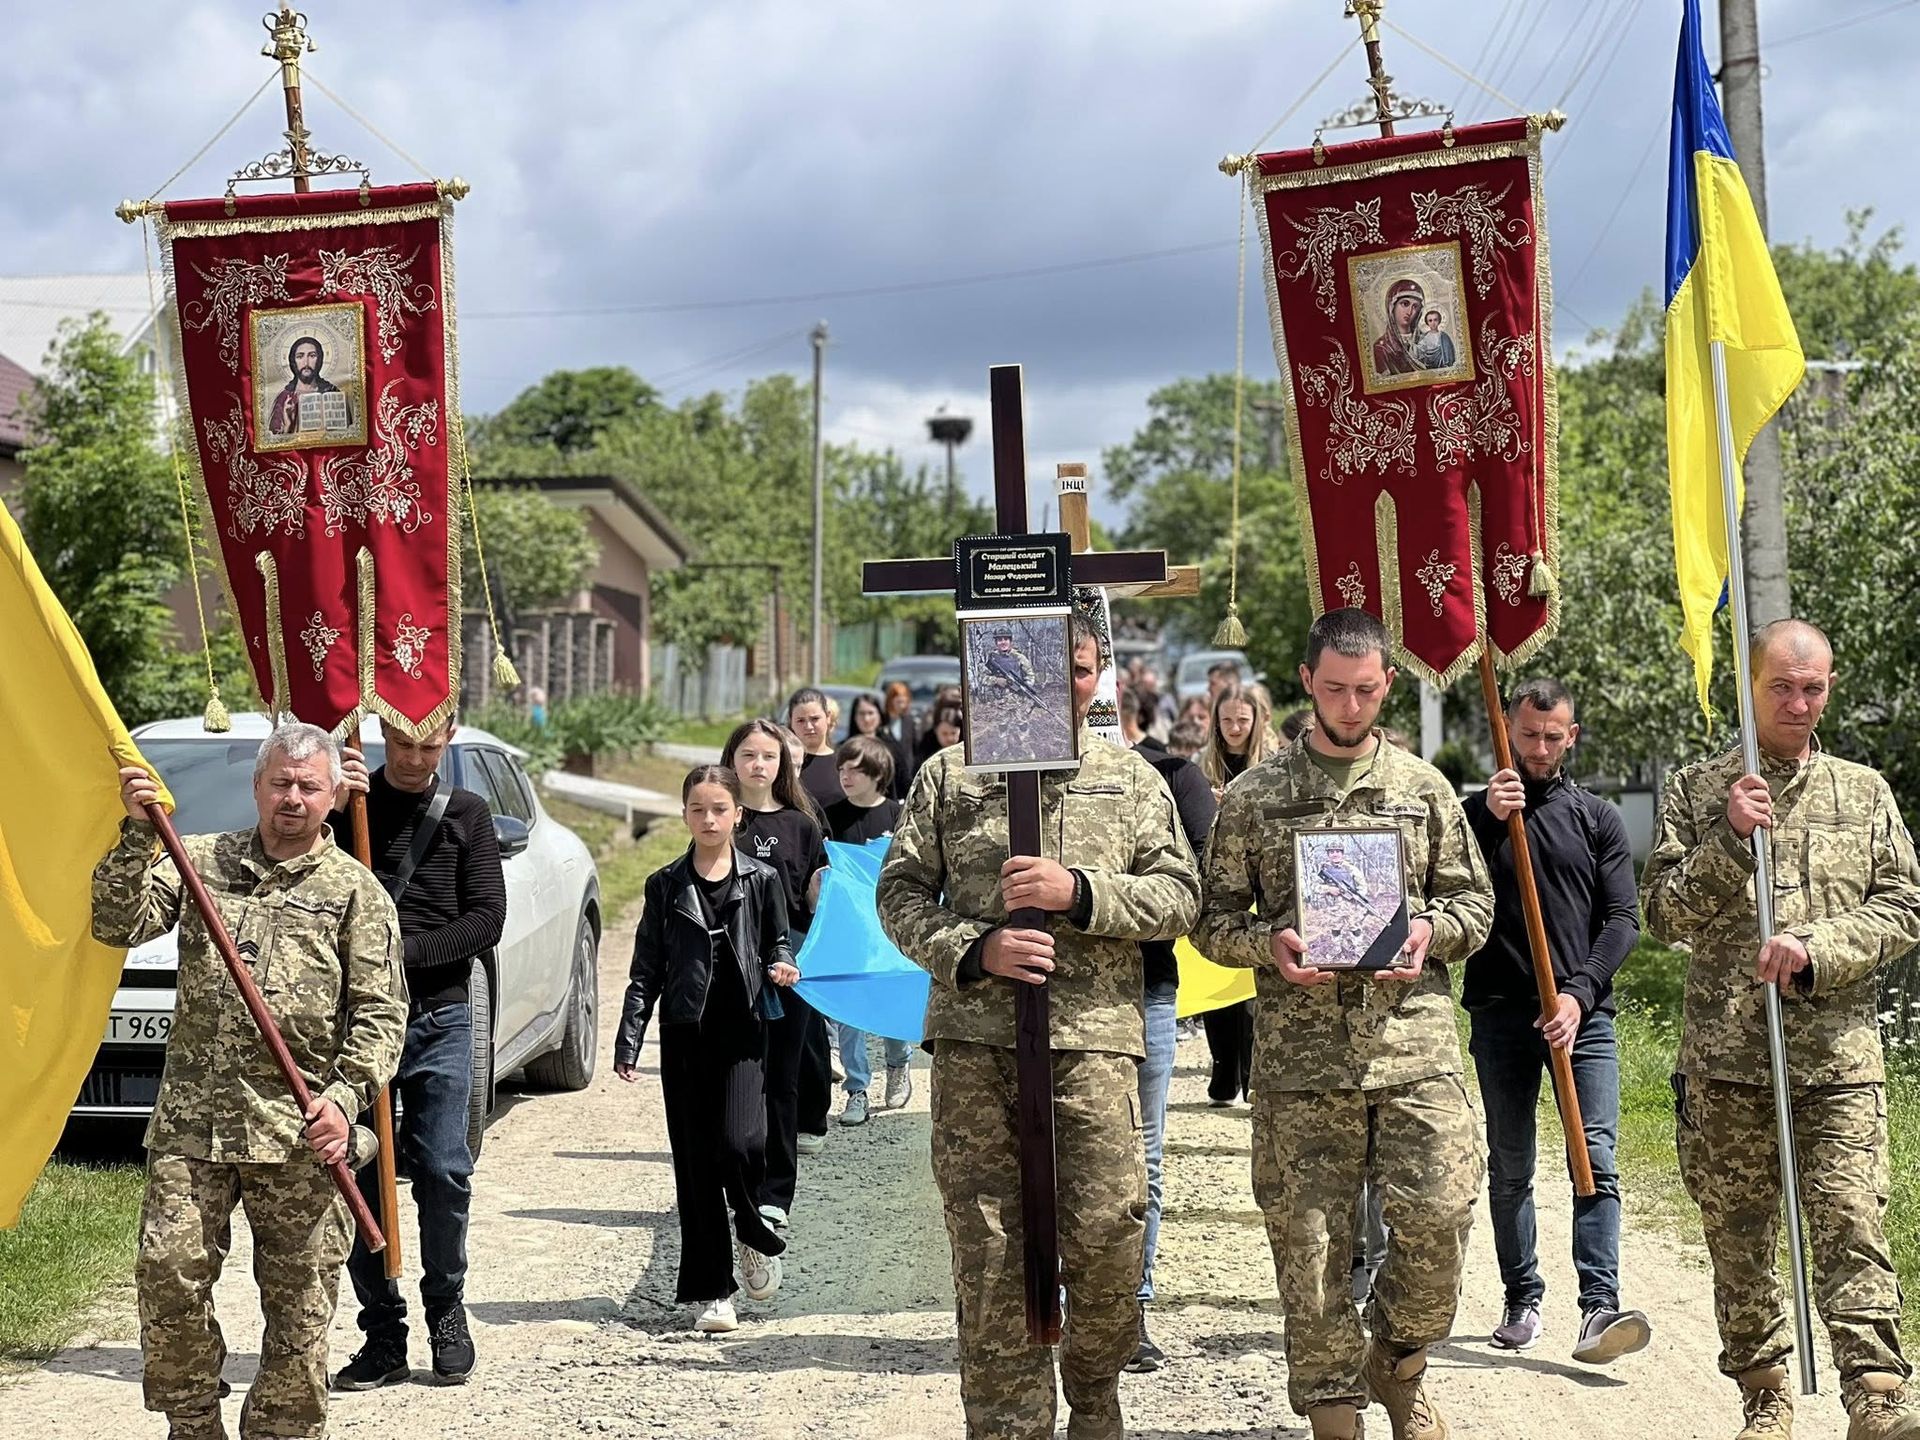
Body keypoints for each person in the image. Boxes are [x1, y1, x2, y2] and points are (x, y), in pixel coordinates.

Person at [877, 614, 1202, 1440]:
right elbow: (900, 893)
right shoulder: (951, 775)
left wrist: (1081, 892)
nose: (1065, 685)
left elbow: (1179, 898)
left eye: (1083, 668)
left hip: (1094, 1040)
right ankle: (1007, 1426)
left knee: (1108, 1234)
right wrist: (975, 947)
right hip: (978, 1044)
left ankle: (1094, 1391)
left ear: (1102, 674)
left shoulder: (1129, 780)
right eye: (1047, 668)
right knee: (989, 1250)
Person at [1195, 607, 1492, 1440]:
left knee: (1441, 1214)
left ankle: (1397, 1360)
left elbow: (1476, 902)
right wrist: (1269, 945)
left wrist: (1433, 930)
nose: (1351, 706)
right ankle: (1333, 1405)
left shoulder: (1424, 789)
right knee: (1313, 1247)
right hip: (1302, 1058)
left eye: (1365, 690)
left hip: (1413, 1046)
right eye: (1335, 690)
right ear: (1306, 684)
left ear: (1387, 684)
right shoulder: (1255, 798)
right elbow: (1210, 919)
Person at [1642, 620, 1920, 1440]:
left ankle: (1875, 1392)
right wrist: (1728, 840)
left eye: (1815, 688)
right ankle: (1763, 1395)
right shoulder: (1697, 789)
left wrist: (1817, 949)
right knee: (1740, 1235)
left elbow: (1904, 906)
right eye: (1782, 687)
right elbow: (1662, 914)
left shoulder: (1862, 791)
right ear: (1749, 685)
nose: (1800, 704)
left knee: (1850, 1219)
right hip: (1729, 1063)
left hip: (1836, 1059)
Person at [92, 722, 405, 1440]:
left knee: (299, 1310)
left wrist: (344, 1098)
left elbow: (382, 1015)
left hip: (300, 1134)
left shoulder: (355, 891)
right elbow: (116, 923)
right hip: (194, 1125)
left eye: (308, 786)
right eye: (280, 783)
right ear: (258, 786)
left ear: (333, 795)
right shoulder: (199, 859)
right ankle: (192, 1423)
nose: (292, 798)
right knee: (166, 1275)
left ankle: (281, 1431)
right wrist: (138, 835)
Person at [1460, 677, 1651, 1365]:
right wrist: (1485, 814)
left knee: (1594, 1154)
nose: (1540, 748)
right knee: (1511, 1162)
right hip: (1501, 1013)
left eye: (1554, 736)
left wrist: (1578, 993)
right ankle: (1522, 1295)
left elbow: (1624, 920)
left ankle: (1599, 1307)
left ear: (1572, 736)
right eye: (1529, 734)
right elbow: (1443, 885)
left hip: (1584, 1018)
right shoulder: (1471, 816)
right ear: (1507, 728)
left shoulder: (1596, 817)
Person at [332, 716, 507, 1390]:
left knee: (441, 1165)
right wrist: (337, 815)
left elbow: (486, 918)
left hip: (440, 1014)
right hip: (357, 1023)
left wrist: (401, 957)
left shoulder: (467, 813)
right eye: (401, 744)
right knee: (360, 1174)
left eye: (428, 746)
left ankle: (446, 1309)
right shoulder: (353, 807)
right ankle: (382, 1331)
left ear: (449, 739)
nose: (412, 758)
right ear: (381, 735)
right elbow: (310, 877)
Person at [614, 765, 797, 1334]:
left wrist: (782, 964)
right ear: (685, 815)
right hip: (686, 1035)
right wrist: (629, 1036)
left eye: (721, 808)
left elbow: (778, 939)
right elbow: (647, 967)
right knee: (695, 1168)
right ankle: (715, 1292)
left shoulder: (761, 879)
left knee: (742, 1144)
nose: (710, 818)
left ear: (738, 814)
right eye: (699, 809)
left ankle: (751, 1233)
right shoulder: (664, 884)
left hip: (744, 1031)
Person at [1117, 683, 1217, 1373]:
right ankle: (1062, 1304)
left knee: (1141, 1160)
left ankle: (1132, 1308)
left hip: (1147, 989)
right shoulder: (1021, 772)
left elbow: (1197, 887)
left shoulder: (1173, 776)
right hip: (1044, 997)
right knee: (1056, 1157)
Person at [723, 719, 833, 1221]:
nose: (758, 764)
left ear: (782, 764)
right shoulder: (720, 816)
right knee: (736, 1079)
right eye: (749, 755)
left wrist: (826, 890)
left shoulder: (802, 825)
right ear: (732, 760)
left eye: (768, 756)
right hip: (729, 966)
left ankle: (775, 1193)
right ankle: (736, 1181)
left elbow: (812, 900)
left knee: (783, 1080)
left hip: (789, 966)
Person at [1195, 682, 1281, 1109]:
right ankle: (1222, 1068)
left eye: (1241, 720)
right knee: (1216, 980)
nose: (1233, 728)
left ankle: (1251, 1073)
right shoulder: (1202, 765)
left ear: (1257, 721)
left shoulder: (1274, 766)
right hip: (1220, 873)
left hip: (1260, 874)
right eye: (1226, 720)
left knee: (1250, 985)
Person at [824, 735, 913, 1126]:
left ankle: (899, 1064)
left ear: (877, 773)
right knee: (849, 1012)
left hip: (888, 930)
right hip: (850, 929)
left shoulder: (898, 814)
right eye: (841, 769)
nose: (845, 776)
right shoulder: (831, 816)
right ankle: (856, 1090)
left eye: (854, 769)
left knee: (889, 1003)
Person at [269, 335, 353, 435]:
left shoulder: (332, 392)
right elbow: (275, 441)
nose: (306, 363)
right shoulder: (284, 398)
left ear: (319, 359)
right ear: (293, 362)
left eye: (312, 356)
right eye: (300, 356)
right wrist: (288, 425)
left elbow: (347, 433)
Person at [787, 687, 845, 813]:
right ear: (791, 721)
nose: (808, 726)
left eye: (815, 719)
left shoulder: (845, 762)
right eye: (801, 720)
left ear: (828, 717)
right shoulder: (783, 763)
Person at [1370, 278, 1425, 378]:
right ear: (1392, 307)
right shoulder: (1382, 348)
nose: (1410, 311)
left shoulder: (1425, 340)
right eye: (1405, 304)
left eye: (1415, 306)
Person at [880, 683, 920, 795]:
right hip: (889, 772)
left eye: (904, 702)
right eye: (898, 702)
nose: (902, 706)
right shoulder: (881, 721)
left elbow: (915, 748)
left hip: (907, 773)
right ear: (890, 701)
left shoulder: (909, 721)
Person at [914, 701, 964, 772]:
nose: (949, 738)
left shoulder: (965, 751)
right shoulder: (925, 750)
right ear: (936, 731)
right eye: (944, 734)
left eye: (953, 733)